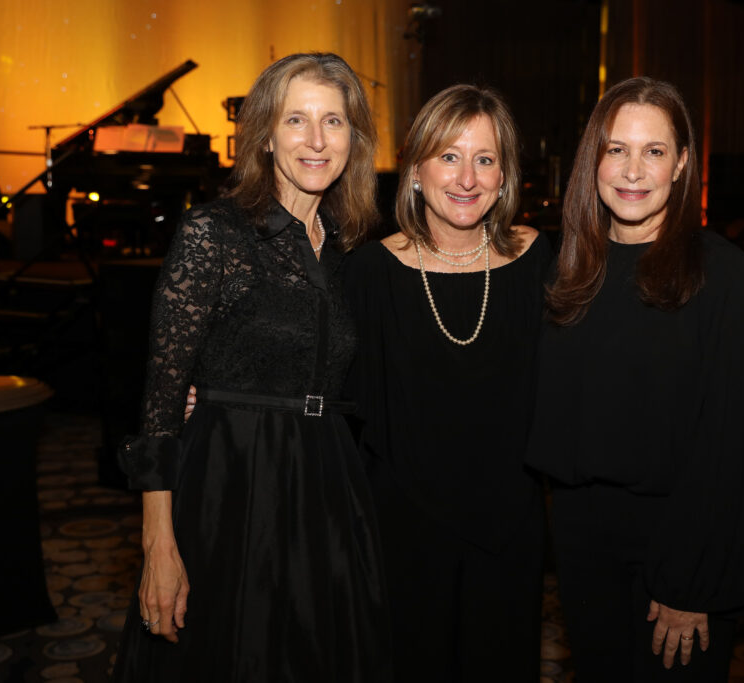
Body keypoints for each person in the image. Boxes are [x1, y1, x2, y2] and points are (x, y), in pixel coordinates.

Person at [113, 52, 390, 682]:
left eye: (334, 122)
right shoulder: (213, 234)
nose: (316, 141)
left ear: (356, 139)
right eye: (297, 120)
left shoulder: (355, 253)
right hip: (229, 485)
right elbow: (159, 403)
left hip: (327, 487)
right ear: (265, 134)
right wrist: (157, 544)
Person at [526, 77, 744, 681]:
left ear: (682, 164)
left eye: (654, 151)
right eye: (616, 149)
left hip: (678, 549)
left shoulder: (724, 278)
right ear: (592, 158)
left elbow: (734, 446)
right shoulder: (567, 270)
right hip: (582, 542)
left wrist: (692, 582)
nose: (632, 170)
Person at [343, 84, 550, 682]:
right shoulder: (367, 273)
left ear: (506, 176)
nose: (467, 178)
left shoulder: (539, 263)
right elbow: (323, 382)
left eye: (485, 159)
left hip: (510, 528)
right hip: (400, 532)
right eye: (449, 156)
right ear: (414, 170)